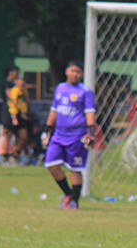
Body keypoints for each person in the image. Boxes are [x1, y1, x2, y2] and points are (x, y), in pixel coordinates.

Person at [42, 61, 99, 209]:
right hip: (58, 135)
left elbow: (89, 113)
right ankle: (68, 194)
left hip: (77, 136)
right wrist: (47, 130)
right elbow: (54, 109)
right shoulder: (60, 88)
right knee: (51, 165)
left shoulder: (85, 91)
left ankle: (74, 201)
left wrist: (91, 134)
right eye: (73, 71)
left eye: (78, 72)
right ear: (67, 71)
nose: (75, 74)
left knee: (75, 168)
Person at [7, 76, 32, 159]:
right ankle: (6, 155)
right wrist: (14, 118)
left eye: (24, 84)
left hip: (22, 115)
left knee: (24, 136)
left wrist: (27, 112)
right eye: (21, 85)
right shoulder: (14, 91)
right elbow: (13, 104)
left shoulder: (24, 91)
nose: (23, 86)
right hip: (14, 114)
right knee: (8, 135)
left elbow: (27, 101)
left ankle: (16, 152)